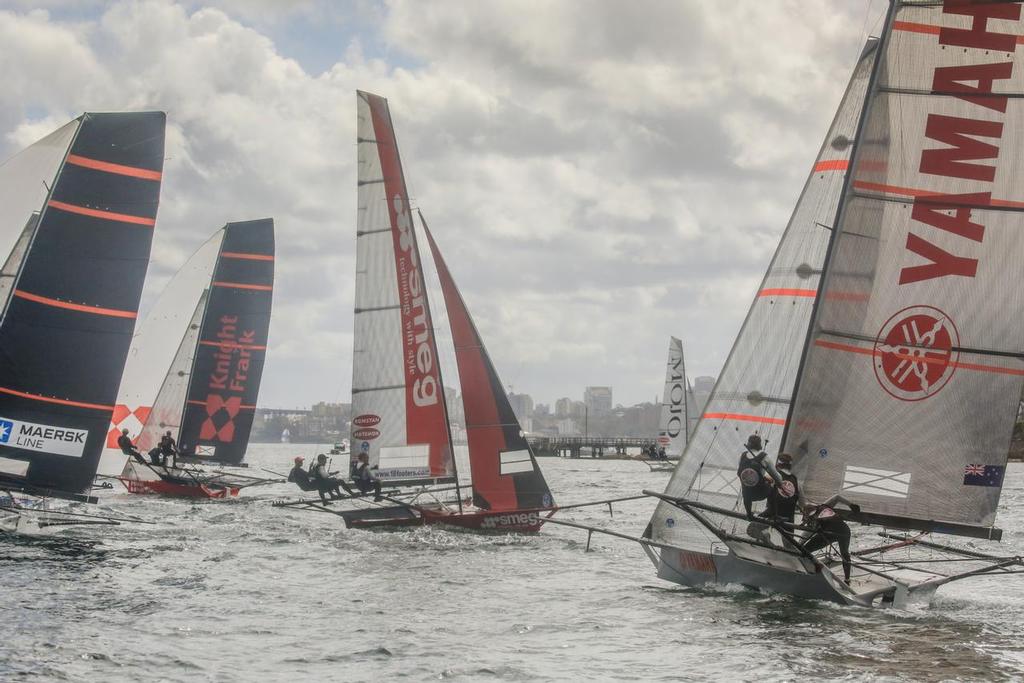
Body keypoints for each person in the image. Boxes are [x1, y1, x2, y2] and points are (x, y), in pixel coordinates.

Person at [802, 495, 858, 585]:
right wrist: (851, 505)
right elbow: (837, 497)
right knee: (845, 554)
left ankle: (816, 566)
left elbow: (808, 533)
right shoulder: (824, 506)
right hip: (842, 531)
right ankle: (847, 580)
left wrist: (800, 543)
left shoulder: (815, 515)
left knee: (805, 550)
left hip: (833, 533)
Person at [736, 434, 782, 520]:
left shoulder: (742, 456)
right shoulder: (764, 457)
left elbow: (742, 474)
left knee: (746, 487)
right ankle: (774, 514)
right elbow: (778, 478)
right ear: (759, 444)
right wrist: (779, 483)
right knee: (774, 488)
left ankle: (749, 514)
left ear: (748, 444)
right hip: (760, 493)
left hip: (747, 495)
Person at [765, 452, 800, 524]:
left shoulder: (773, 476)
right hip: (789, 521)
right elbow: (802, 503)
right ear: (790, 466)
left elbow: (764, 491)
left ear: (778, 464)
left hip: (773, 518)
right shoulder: (796, 480)